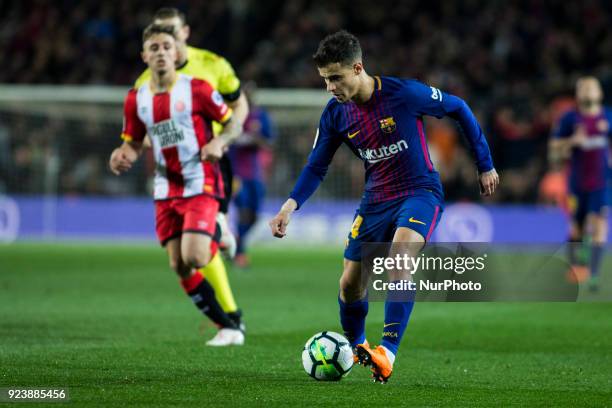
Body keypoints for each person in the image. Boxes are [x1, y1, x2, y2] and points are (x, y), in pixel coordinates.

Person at [268, 31, 498, 383]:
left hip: (420, 191)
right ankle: (358, 348)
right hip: (375, 201)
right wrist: (289, 206)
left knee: (399, 256)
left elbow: (458, 107)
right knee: (349, 284)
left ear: (357, 68)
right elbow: (317, 165)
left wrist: (484, 163)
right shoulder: (335, 115)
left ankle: (387, 352)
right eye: (325, 80)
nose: (330, 87)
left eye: (335, 78)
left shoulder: (403, 94)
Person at [109, 24, 244, 346]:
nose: (161, 53)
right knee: (179, 266)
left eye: (166, 47)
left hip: (200, 182)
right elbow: (133, 142)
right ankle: (228, 328)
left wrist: (220, 143)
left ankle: (217, 230)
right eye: (153, 48)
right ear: (144, 56)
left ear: (177, 52)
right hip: (165, 189)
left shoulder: (196, 89)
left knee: (197, 257)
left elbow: (232, 122)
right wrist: (121, 154)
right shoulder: (135, 99)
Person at [550, 76, 611, 291]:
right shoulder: (569, 119)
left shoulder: (608, 117)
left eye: (591, 87)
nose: (587, 90)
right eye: (582, 87)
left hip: (602, 184)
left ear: (599, 93)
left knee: (598, 225)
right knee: (576, 228)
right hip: (576, 184)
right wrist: (571, 142)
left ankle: (592, 275)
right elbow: (554, 149)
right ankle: (576, 266)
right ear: (577, 94)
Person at [229, 82, 276, 268]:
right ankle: (239, 253)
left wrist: (256, 140)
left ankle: (235, 244)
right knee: (243, 211)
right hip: (234, 173)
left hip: (256, 174)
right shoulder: (230, 116)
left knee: (254, 216)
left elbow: (269, 143)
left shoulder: (260, 116)